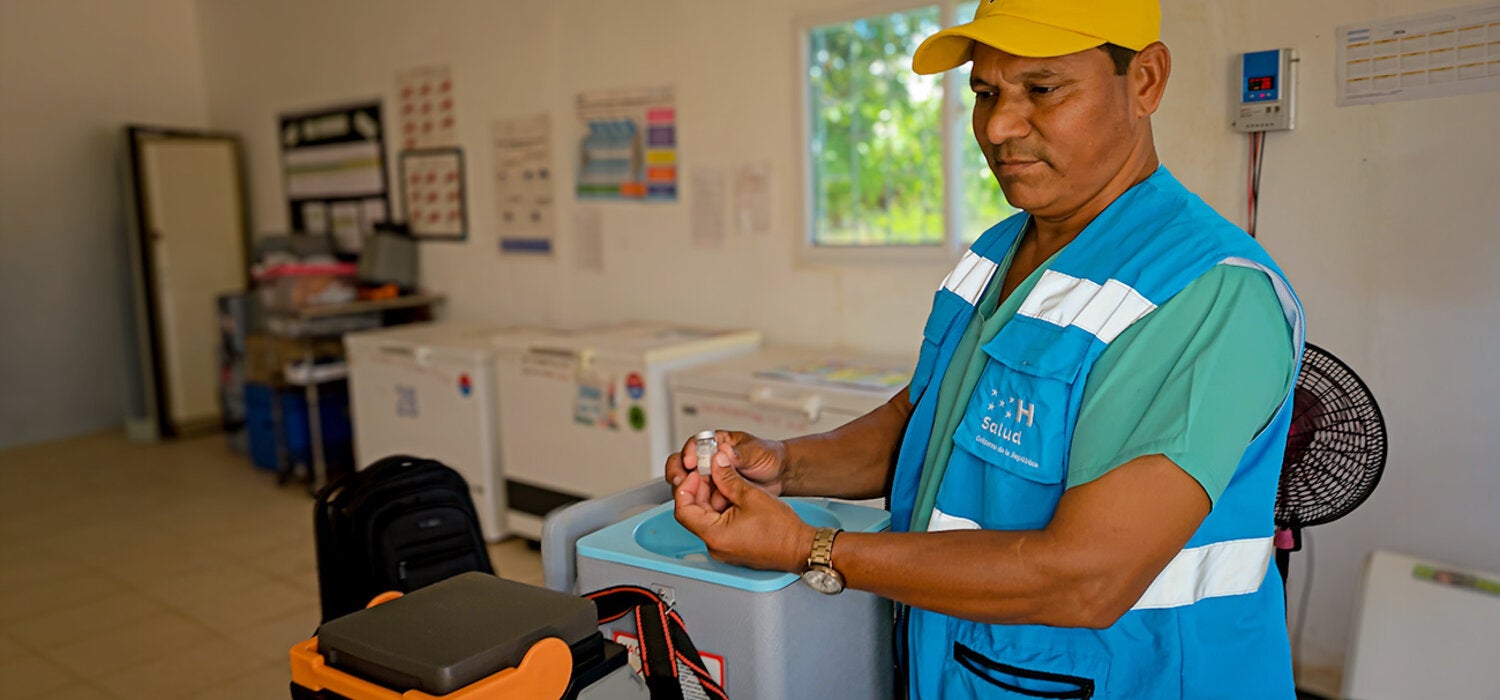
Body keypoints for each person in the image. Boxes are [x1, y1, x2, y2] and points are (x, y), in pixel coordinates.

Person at [665, 0, 1305, 696]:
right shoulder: (999, 252)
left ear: (1145, 81)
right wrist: (786, 467)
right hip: (963, 665)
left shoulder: (1202, 292)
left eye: (1042, 88)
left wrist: (809, 548)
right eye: (985, 92)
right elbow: (925, 425)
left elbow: (1087, 577)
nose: (998, 126)